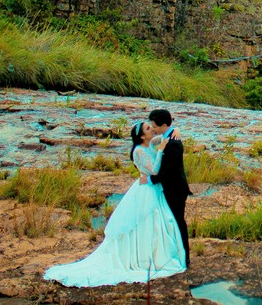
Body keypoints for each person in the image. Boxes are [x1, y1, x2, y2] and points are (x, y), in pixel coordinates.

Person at [43, 121, 185, 286]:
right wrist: (160, 151)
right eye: (148, 128)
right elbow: (153, 170)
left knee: (157, 221)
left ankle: (156, 252)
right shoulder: (138, 151)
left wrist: (176, 129)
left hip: (153, 188)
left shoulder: (149, 143)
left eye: (151, 126)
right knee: (144, 221)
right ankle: (142, 256)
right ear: (141, 136)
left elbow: (164, 134)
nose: (152, 129)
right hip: (146, 190)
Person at [146, 109, 191, 267]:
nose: (153, 129)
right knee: (169, 221)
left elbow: (168, 170)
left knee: (177, 221)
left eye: (155, 126)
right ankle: (174, 253)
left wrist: (150, 179)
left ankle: (184, 257)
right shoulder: (167, 136)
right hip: (169, 188)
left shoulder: (173, 143)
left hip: (175, 189)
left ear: (164, 125)